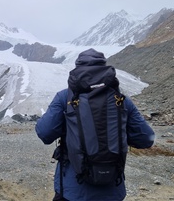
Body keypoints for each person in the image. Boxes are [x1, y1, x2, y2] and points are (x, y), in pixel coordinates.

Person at [35, 48, 155, 201]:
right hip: (112, 190)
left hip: (73, 190)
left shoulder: (65, 97)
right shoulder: (121, 100)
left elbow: (45, 133)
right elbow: (147, 139)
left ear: (77, 69)